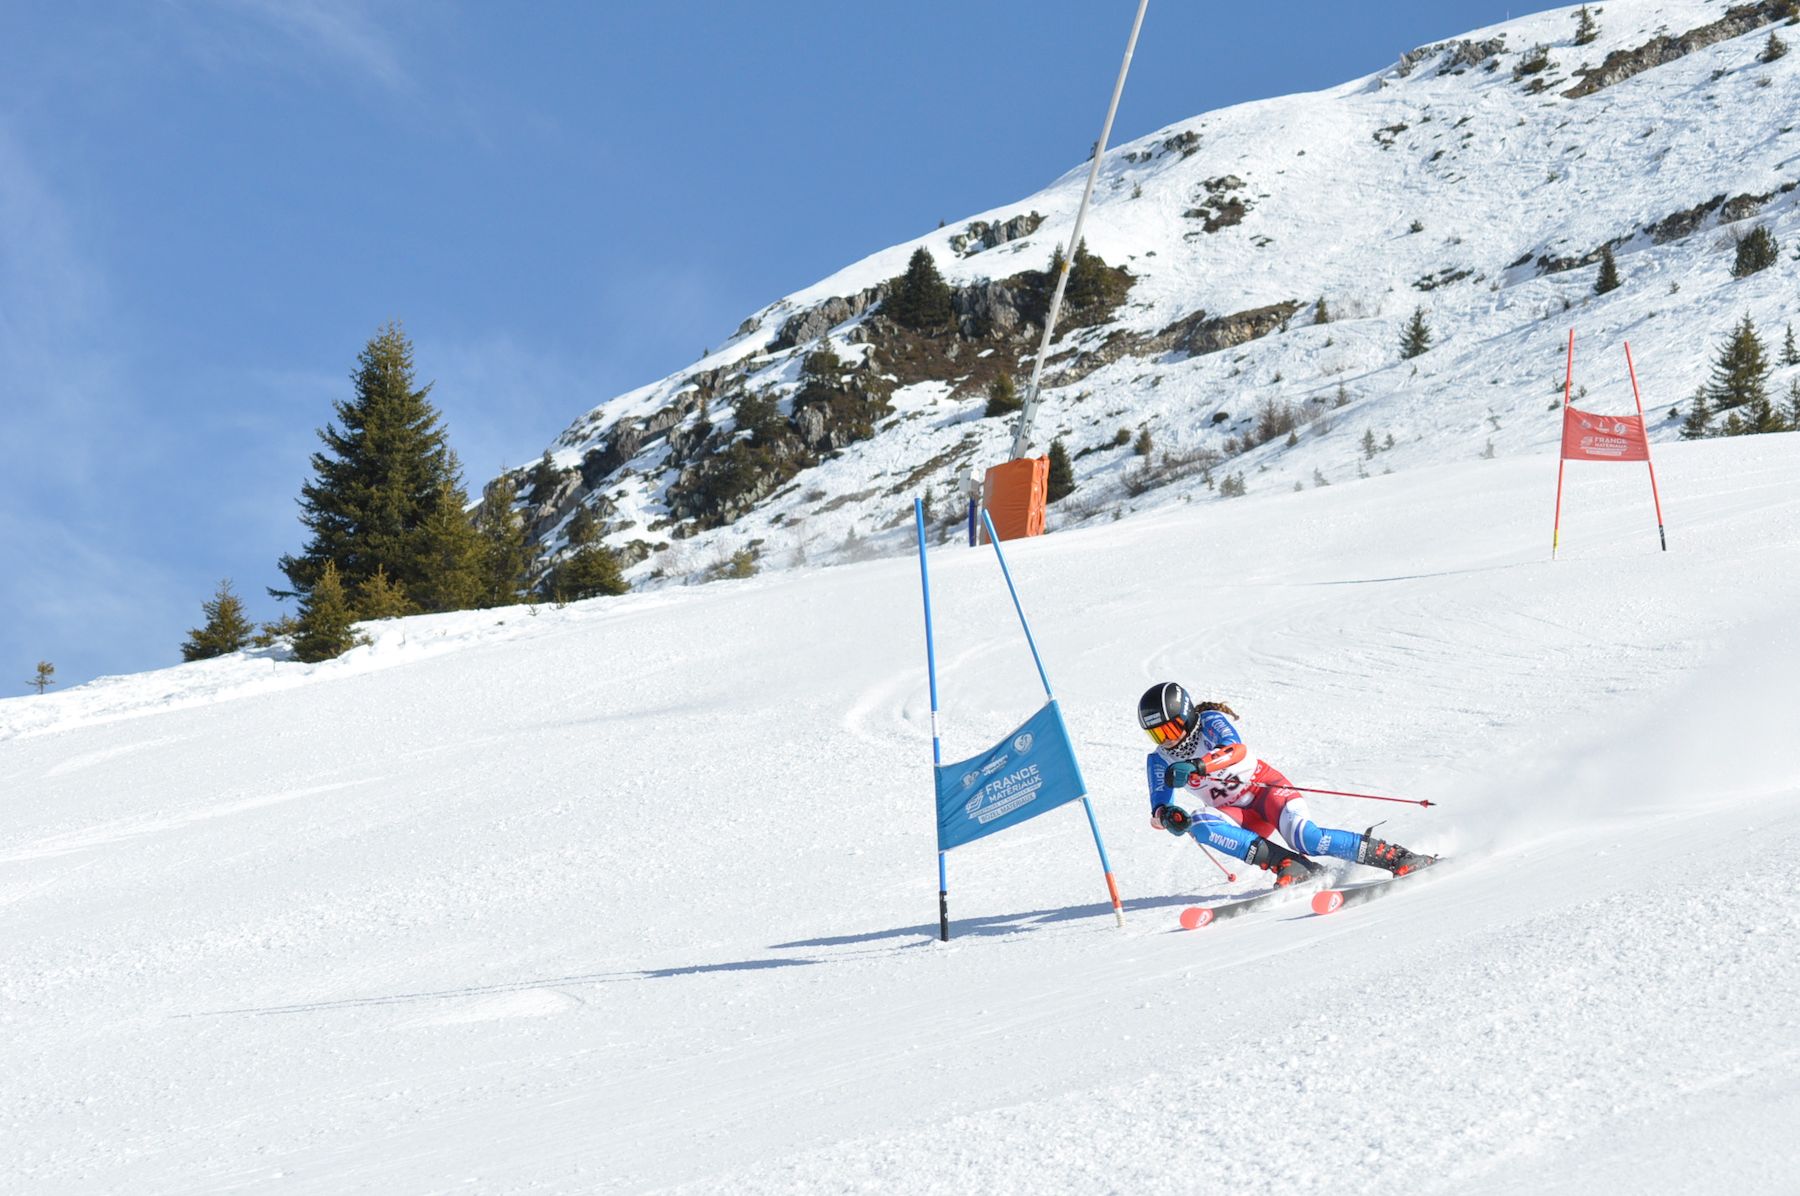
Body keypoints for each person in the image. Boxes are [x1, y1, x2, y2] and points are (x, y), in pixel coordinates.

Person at [1138, 681, 1431, 886]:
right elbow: (1158, 811)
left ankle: (1398, 857)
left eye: (1170, 730)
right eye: (1156, 735)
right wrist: (1170, 818)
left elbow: (1235, 749)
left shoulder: (1209, 721)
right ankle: (1291, 865)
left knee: (1306, 839)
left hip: (1267, 791)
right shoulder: (1159, 760)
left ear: (1186, 716)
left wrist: (1199, 765)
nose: (1167, 740)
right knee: (1200, 824)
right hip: (1238, 815)